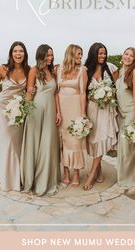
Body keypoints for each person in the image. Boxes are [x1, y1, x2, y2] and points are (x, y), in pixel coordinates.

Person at [0, 41, 30, 191]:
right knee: (6, 141)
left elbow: (30, 90)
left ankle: (17, 176)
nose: (18, 54)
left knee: (16, 142)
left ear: (24, 54)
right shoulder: (3, 69)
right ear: (11, 53)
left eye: (21, 51)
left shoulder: (29, 70)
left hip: (18, 110)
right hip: (2, 108)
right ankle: (8, 178)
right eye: (15, 51)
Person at [20, 44, 61, 196]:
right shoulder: (33, 70)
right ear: (41, 56)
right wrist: (25, 110)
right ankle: (33, 181)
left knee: (48, 144)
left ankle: (47, 179)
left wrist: (59, 112)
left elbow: (56, 94)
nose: (50, 58)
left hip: (51, 111)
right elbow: (29, 93)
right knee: (35, 143)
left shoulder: (53, 71)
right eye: (47, 55)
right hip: (36, 111)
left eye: (51, 55)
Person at [84, 42, 119, 190]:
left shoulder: (111, 68)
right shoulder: (85, 70)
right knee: (93, 140)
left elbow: (118, 89)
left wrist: (108, 96)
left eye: (104, 53)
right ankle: (98, 170)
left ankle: (92, 174)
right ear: (93, 54)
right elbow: (82, 92)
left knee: (101, 138)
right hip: (92, 110)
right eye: (100, 53)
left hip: (106, 110)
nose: (103, 56)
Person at [57, 44, 88, 187]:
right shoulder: (59, 70)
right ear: (71, 54)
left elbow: (83, 92)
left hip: (75, 108)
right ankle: (66, 174)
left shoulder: (82, 70)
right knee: (63, 141)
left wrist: (82, 114)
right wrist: (57, 111)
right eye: (78, 54)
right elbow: (56, 92)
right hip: (61, 109)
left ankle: (76, 174)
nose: (80, 57)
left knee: (75, 141)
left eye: (82, 54)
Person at [116, 47, 135, 188]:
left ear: (134, 59)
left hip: (132, 112)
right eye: (126, 54)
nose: (128, 57)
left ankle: (131, 179)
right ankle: (124, 177)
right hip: (121, 113)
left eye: (131, 56)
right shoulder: (120, 72)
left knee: (128, 146)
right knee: (123, 147)